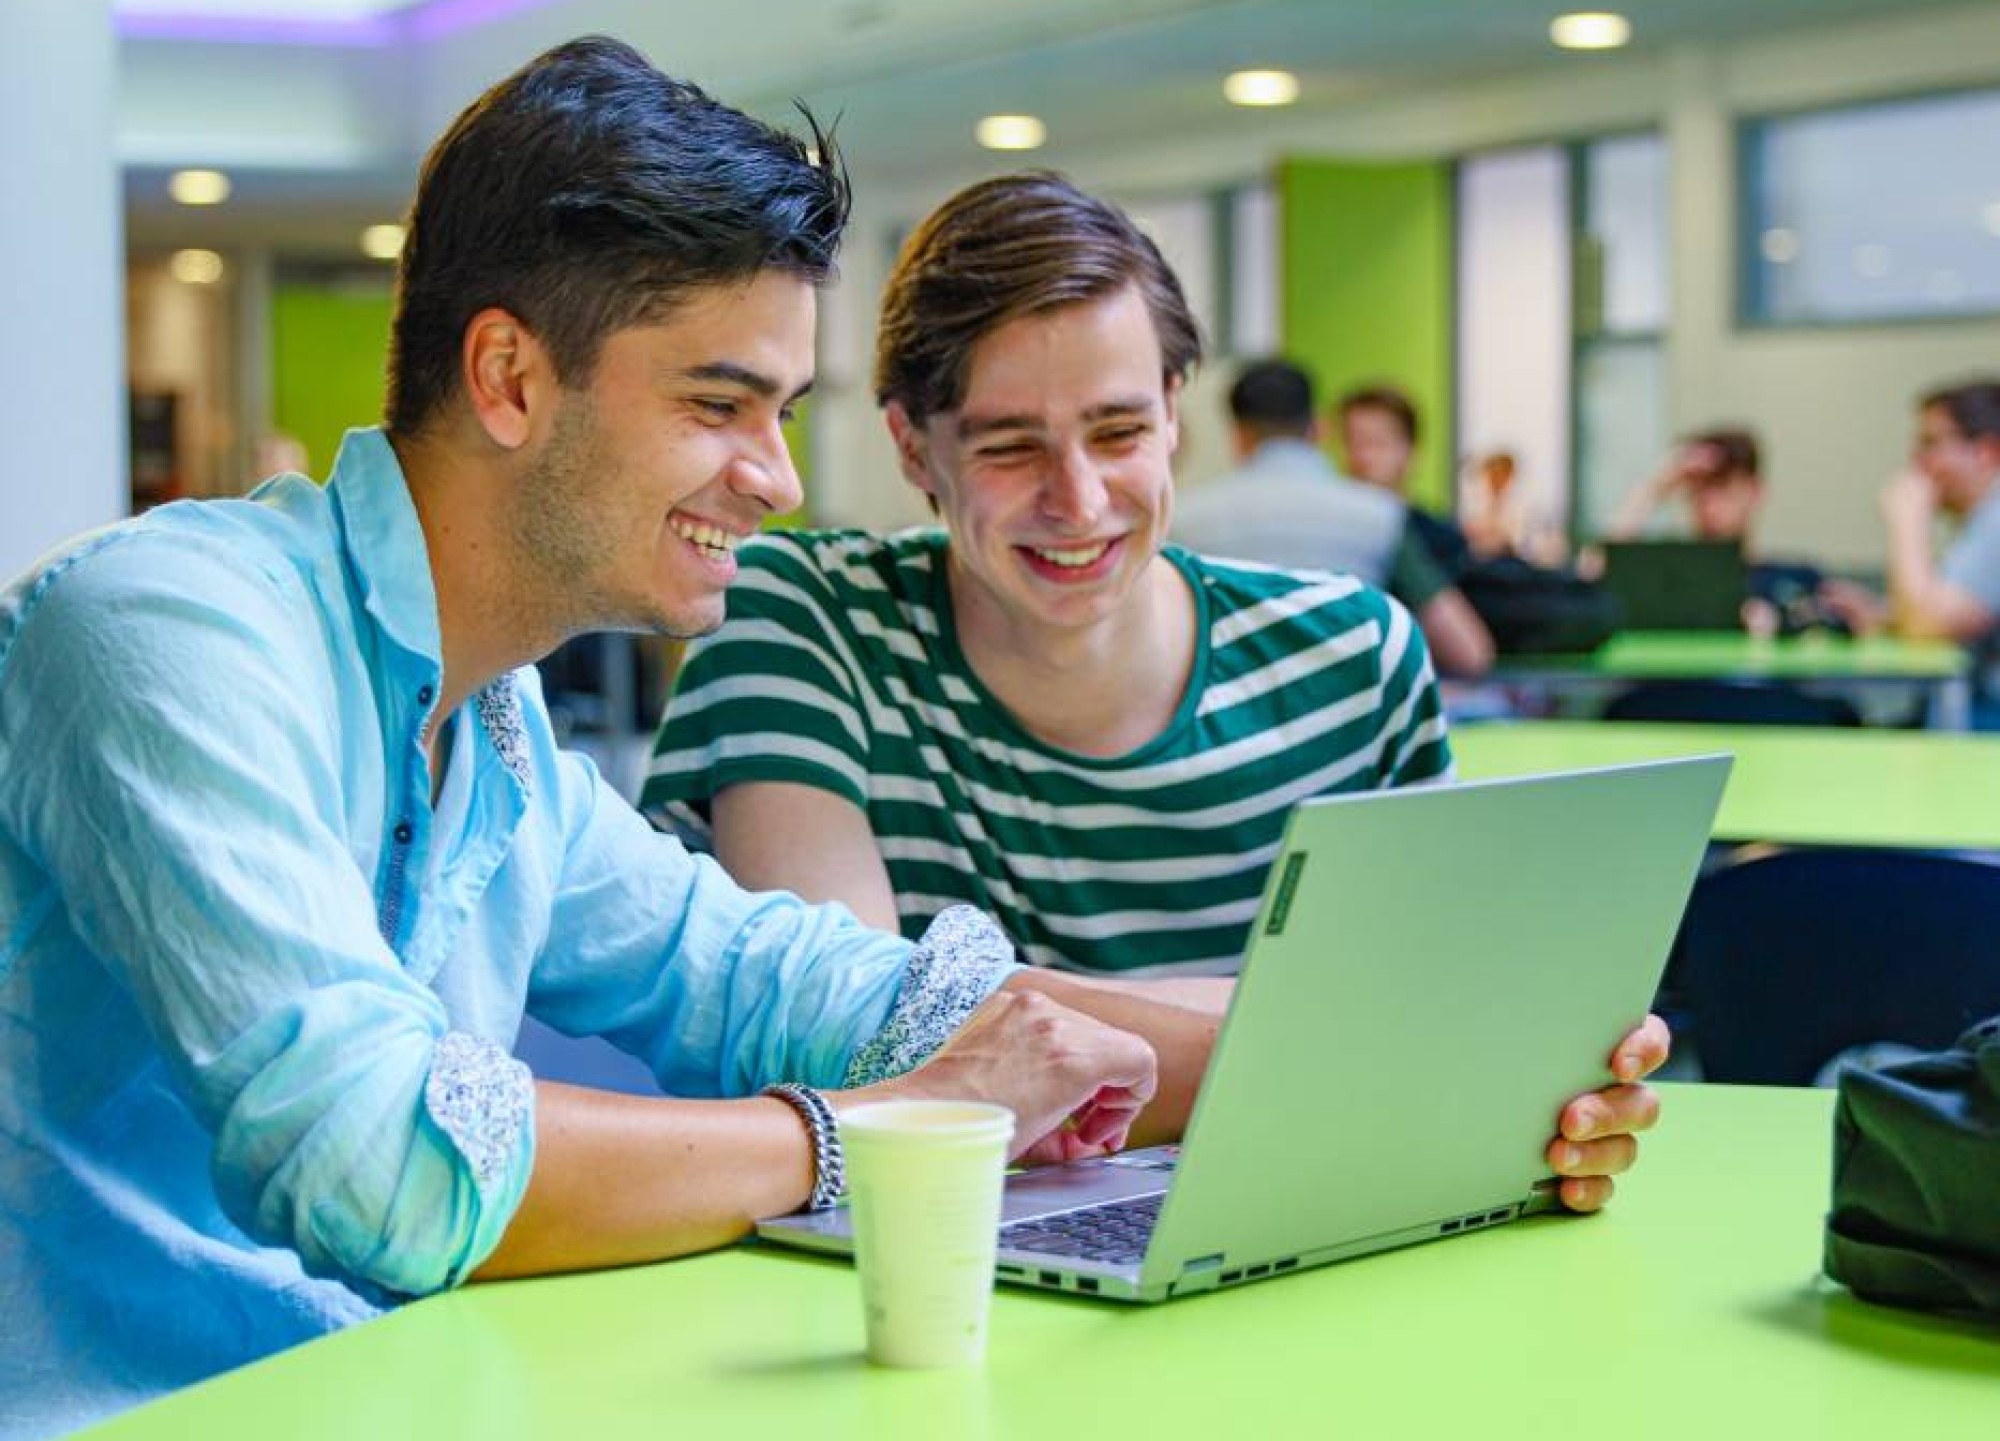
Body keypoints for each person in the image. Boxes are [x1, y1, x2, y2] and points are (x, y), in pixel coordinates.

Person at [0, 41, 1216, 1439]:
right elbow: (375, 1156)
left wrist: (1349, 1073)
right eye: (719, 404)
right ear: (510, 377)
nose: (778, 479)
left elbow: (787, 982)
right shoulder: (166, 630)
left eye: (784, 411)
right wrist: (865, 1133)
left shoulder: (492, 719)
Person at [644, 171, 1666, 1215]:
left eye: (1119, 432)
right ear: (914, 447)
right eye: (1009, 447)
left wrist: (1536, 1088)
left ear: (1175, 410)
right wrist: (1376, 1045)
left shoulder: (1352, 662)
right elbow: (852, 1031)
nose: (1077, 500)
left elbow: (1465, 1054)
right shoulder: (802, 616)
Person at [1170, 358, 1493, 676]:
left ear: (1238, 434)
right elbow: (1468, 652)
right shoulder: (1381, 517)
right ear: (1316, 428)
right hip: (1352, 719)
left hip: (1234, 724)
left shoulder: (1183, 521)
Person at [1603, 428, 1848, 636]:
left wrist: (1776, 623)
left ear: (1754, 491)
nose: (1707, 503)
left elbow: (1835, 627)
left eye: (1721, 486)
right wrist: (1654, 489)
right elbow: (1592, 584)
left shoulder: (1794, 580)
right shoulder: (1657, 581)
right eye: (1698, 489)